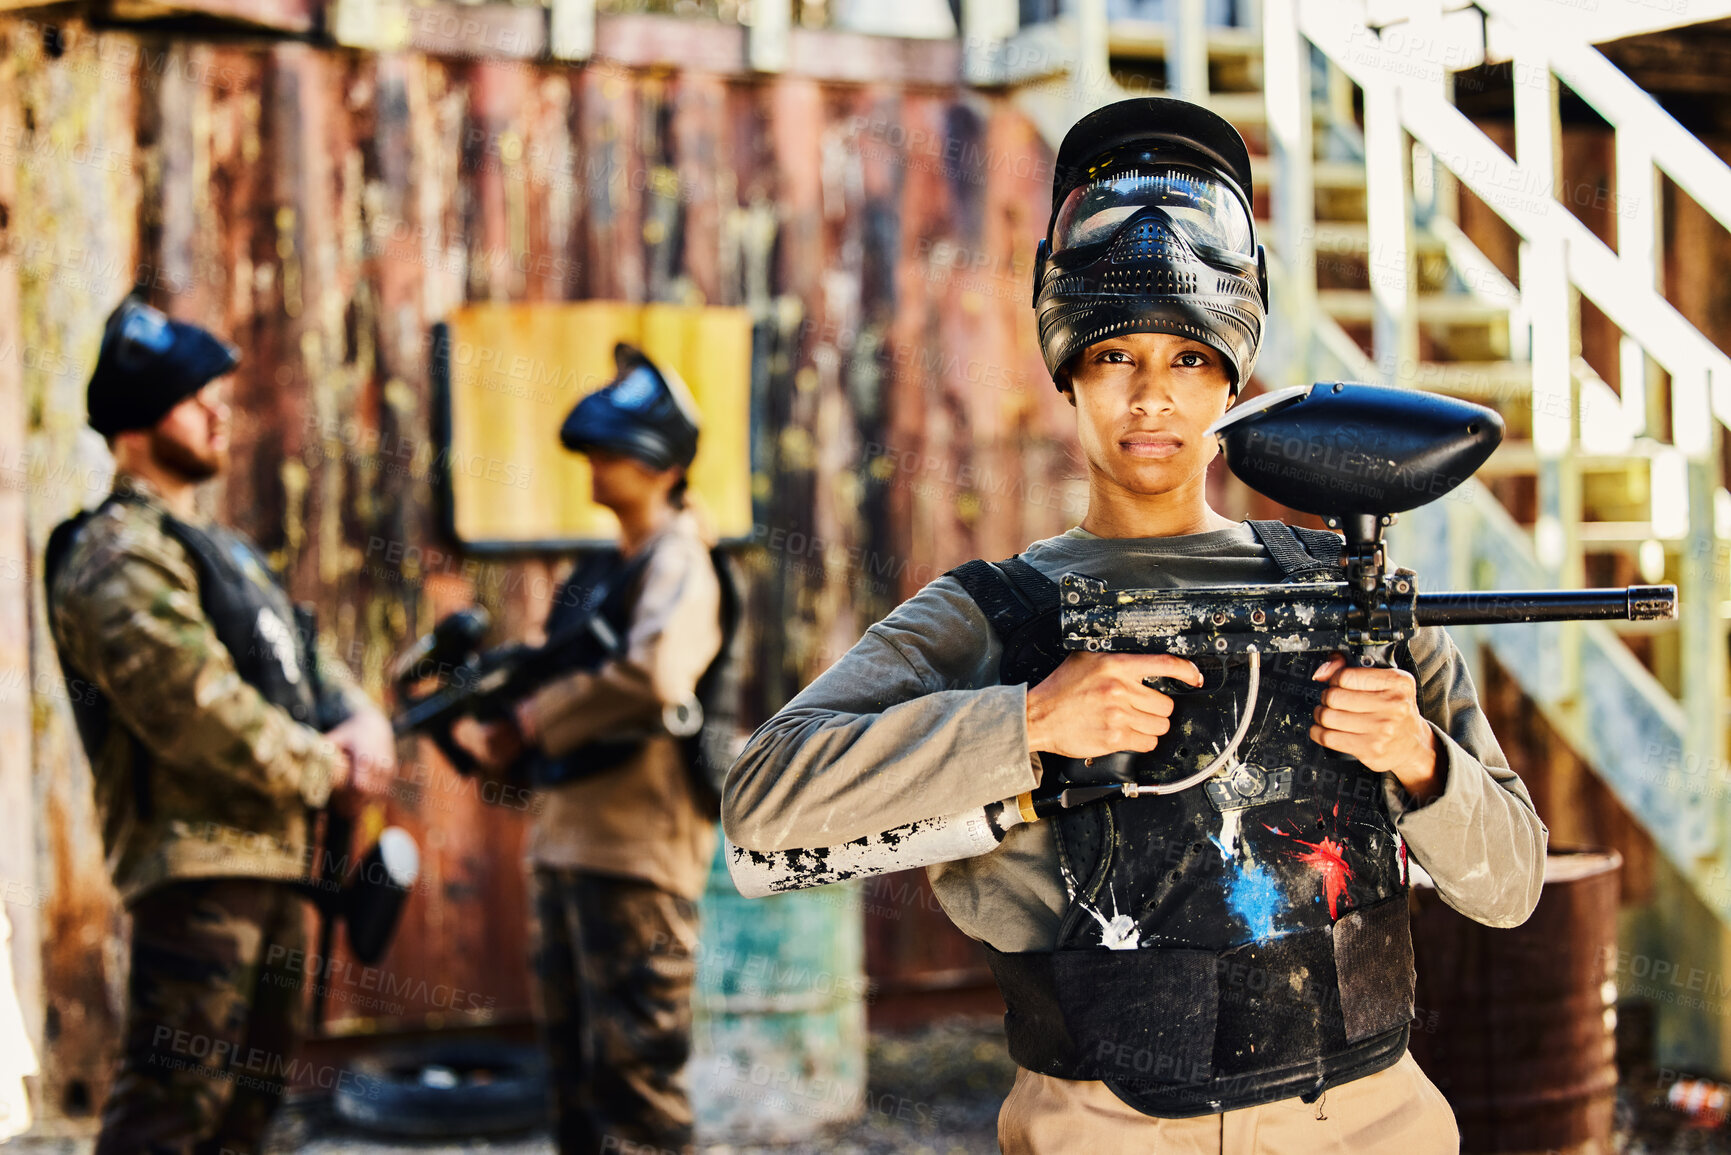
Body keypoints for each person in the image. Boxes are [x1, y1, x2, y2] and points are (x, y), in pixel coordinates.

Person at [724, 97, 1547, 1152]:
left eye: (1191, 361)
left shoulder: (1345, 600)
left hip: (1369, 1122)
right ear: (1067, 371)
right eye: (1117, 358)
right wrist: (1026, 724)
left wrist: (1423, 760)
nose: (1153, 398)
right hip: (1107, 1125)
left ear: (1234, 380)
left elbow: (1514, 886)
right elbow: (761, 813)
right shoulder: (995, 616)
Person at [45, 296, 396, 1155]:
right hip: (197, 873)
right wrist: (325, 768)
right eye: (188, 395)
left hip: (275, 864)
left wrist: (360, 721)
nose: (216, 410)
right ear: (136, 420)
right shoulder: (115, 552)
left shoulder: (224, 553)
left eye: (216, 393)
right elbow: (195, 707)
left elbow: (304, 660)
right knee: (170, 1113)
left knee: (248, 1116)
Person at [453, 343, 724, 1155]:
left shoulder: (680, 559)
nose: (594, 467)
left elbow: (654, 675)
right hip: (568, 845)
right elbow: (545, 665)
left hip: (636, 856)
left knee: (636, 1091)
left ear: (658, 464)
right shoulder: (602, 571)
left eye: (610, 451)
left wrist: (534, 719)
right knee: (574, 1091)